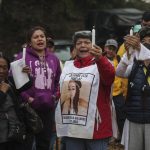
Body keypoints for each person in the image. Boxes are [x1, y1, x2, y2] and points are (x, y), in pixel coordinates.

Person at [55, 30, 115, 150]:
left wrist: (100, 59)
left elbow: (109, 77)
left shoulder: (103, 63)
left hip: (96, 129)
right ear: (75, 47)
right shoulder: (68, 66)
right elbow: (61, 93)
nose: (82, 45)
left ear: (93, 45)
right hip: (72, 128)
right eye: (79, 43)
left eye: (87, 42)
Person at [16, 26, 61, 150]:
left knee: (44, 144)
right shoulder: (21, 58)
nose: (40, 39)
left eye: (42, 36)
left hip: (48, 108)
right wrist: (29, 99)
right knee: (27, 144)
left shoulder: (54, 59)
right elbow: (15, 83)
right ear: (30, 42)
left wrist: (54, 96)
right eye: (36, 37)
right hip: (28, 108)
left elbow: (59, 81)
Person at [116, 27, 150, 150]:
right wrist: (128, 53)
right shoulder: (136, 63)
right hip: (133, 118)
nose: (146, 44)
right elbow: (119, 72)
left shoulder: (144, 55)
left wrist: (141, 48)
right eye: (143, 41)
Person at [0, 56, 27, 150]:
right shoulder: (5, 87)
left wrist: (26, 73)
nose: (1, 71)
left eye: (4, 67)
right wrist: (2, 93)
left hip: (15, 134)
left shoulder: (10, 82)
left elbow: (27, 84)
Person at [104, 39, 126, 143]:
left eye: (113, 49)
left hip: (118, 93)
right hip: (105, 94)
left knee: (121, 116)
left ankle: (121, 137)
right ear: (105, 48)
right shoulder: (100, 60)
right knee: (106, 116)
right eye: (109, 48)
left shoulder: (119, 59)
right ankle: (107, 136)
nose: (111, 51)